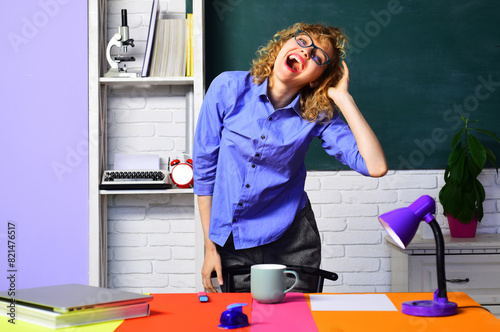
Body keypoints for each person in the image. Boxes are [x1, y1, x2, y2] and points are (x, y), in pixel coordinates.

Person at [193, 22, 388, 293]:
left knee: (296, 323)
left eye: (318, 57)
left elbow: (375, 166)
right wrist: (209, 248)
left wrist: (342, 98)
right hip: (231, 243)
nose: (307, 52)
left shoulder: (317, 115)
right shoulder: (227, 88)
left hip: (292, 241)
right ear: (282, 45)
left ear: (316, 79)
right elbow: (204, 173)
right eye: (303, 41)